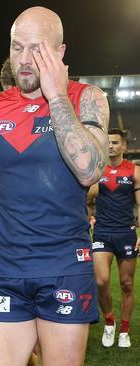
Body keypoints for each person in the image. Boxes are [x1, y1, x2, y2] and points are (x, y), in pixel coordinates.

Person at [0, 6, 109, 366]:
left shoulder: (86, 98)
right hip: (4, 272)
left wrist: (56, 97)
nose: (24, 60)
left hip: (65, 269)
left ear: (60, 53)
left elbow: (89, 170)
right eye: (16, 47)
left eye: (36, 49)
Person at [88, 128, 139, 348]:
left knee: (127, 284)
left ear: (124, 147)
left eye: (116, 142)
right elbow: (88, 201)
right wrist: (89, 216)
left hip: (126, 232)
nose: (111, 146)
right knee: (101, 281)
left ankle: (124, 330)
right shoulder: (96, 171)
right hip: (102, 232)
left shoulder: (134, 171)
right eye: (108, 142)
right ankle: (110, 322)